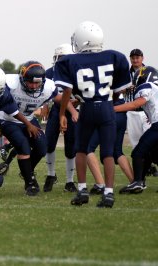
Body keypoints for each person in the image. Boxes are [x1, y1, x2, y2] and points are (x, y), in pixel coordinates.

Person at [55, 21, 132, 208]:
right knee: (107, 151)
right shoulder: (115, 56)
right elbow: (120, 88)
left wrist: (62, 114)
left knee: (82, 149)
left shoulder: (69, 61)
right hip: (106, 107)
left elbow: (66, 91)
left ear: (82, 40)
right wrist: (110, 101)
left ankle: (82, 190)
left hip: (87, 107)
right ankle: (109, 193)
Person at [0, 61, 77, 196]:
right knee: (23, 147)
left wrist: (70, 112)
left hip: (28, 119)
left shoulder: (48, 87)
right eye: (31, 82)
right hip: (8, 119)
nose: (34, 86)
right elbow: (10, 109)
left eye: (37, 83)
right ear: (22, 78)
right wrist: (29, 125)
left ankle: (26, 172)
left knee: (42, 147)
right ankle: (30, 183)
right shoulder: (10, 83)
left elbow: (60, 98)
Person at [116, 67, 158, 193]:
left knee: (138, 153)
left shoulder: (147, 86)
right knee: (153, 154)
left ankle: (137, 182)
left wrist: (112, 109)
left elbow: (135, 104)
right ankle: (140, 180)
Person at [44, 44, 78, 193]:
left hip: (73, 110)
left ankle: (70, 181)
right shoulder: (49, 72)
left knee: (71, 147)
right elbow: (43, 91)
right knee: (49, 143)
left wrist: (74, 103)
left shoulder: (77, 71)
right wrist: (45, 104)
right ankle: (51, 175)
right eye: (58, 57)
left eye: (63, 57)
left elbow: (80, 94)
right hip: (56, 109)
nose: (60, 60)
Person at [125, 49, 158, 177]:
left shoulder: (147, 75)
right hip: (136, 112)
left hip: (146, 113)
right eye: (133, 57)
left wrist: (112, 109)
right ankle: (142, 173)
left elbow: (139, 102)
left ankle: (140, 177)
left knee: (145, 146)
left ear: (142, 58)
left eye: (137, 57)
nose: (135, 59)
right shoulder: (126, 74)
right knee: (138, 143)